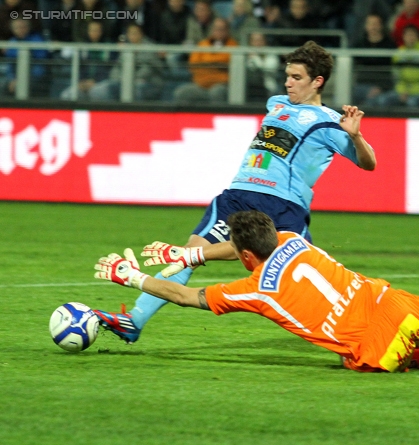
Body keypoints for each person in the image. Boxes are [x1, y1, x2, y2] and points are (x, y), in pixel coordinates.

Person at [94, 210, 419, 382]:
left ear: (244, 255)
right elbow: (251, 246)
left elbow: (188, 300)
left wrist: (130, 275)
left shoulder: (255, 289)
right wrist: (185, 255)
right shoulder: (293, 239)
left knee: (365, 362)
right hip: (404, 303)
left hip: (379, 338)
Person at [95, 41, 377, 343]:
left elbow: (369, 163)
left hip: (283, 205)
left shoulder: (331, 123)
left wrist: (356, 136)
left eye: (296, 77)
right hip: (239, 193)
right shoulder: (277, 103)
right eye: (287, 75)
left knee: (301, 282)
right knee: (184, 257)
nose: (288, 82)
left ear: (317, 81)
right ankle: (133, 321)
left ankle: (361, 331)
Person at [89, 22, 164, 101]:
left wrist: (128, 80)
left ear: (141, 34)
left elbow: (147, 70)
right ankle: (112, 112)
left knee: (136, 89)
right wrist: (120, 79)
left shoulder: (149, 48)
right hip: (124, 82)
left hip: (148, 83)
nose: (133, 36)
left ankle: (134, 113)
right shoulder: (126, 48)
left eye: (135, 33)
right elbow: (116, 68)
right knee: (99, 90)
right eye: (130, 33)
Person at [173, 17, 238, 104]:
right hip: (200, 85)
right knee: (181, 92)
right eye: (216, 29)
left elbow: (227, 63)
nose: (218, 32)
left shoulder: (233, 45)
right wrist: (215, 65)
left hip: (221, 86)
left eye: (221, 29)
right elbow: (193, 65)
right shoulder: (203, 44)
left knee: (217, 93)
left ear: (227, 30)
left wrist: (206, 63)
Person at [373, 24, 419, 107]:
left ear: (418, 37)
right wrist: (403, 91)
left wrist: (411, 91)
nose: (410, 38)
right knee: (383, 100)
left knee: (412, 102)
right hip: (401, 90)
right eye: (408, 35)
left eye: (413, 35)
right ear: (403, 36)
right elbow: (396, 78)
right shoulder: (398, 54)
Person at [352, 13, 397, 106]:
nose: (373, 27)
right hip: (362, 85)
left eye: (376, 24)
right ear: (366, 26)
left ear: (381, 26)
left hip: (383, 85)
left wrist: (381, 88)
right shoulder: (359, 45)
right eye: (370, 24)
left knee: (377, 101)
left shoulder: (390, 45)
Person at [1, 18, 50, 99]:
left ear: (28, 28)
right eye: (17, 27)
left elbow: (41, 64)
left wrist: (22, 80)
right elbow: (10, 65)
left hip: (35, 77)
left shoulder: (37, 40)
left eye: (23, 27)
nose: (21, 30)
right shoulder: (12, 42)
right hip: (16, 77)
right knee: (4, 86)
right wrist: (12, 78)